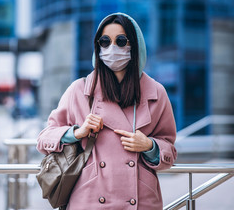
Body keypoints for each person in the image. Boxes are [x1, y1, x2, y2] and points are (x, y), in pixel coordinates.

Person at [36, 12, 177, 210]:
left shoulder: (156, 93)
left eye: (121, 41)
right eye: (104, 41)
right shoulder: (80, 90)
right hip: (90, 199)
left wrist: (149, 146)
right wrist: (76, 132)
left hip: (141, 200)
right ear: (98, 47)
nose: (112, 48)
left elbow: (169, 149)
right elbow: (44, 139)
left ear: (134, 46)